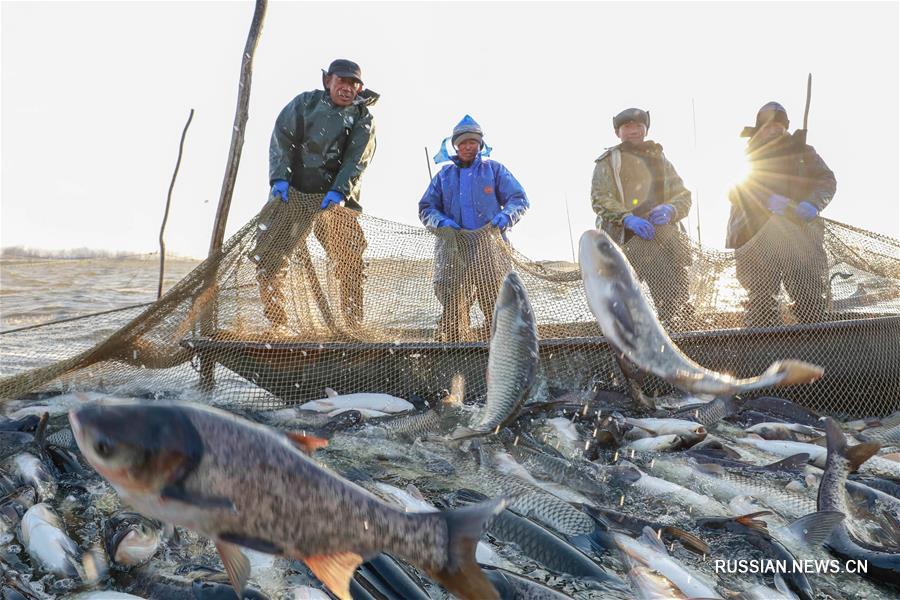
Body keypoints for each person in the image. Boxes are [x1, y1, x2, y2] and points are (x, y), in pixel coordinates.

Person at [252, 59, 378, 332]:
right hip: (293, 194)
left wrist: (339, 192)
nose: (347, 88)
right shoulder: (304, 104)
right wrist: (280, 179)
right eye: (341, 81)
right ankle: (278, 324)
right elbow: (282, 140)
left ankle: (352, 325)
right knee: (269, 256)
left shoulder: (362, 117)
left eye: (353, 84)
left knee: (350, 261)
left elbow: (357, 160)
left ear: (360, 88)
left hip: (336, 201)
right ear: (327, 81)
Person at [419, 115, 529, 341]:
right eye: (463, 142)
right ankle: (453, 342)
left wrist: (505, 217)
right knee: (453, 302)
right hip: (453, 250)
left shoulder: (494, 170)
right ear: (455, 145)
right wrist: (441, 222)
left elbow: (519, 200)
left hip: (489, 247)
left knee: (495, 300)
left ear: (480, 144)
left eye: (473, 142)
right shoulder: (444, 176)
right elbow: (426, 208)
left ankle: (498, 346)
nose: (469, 146)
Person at [727, 101, 836, 327]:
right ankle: (761, 348)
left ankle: (814, 341)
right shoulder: (747, 156)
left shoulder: (805, 152)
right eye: (767, 126)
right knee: (760, 300)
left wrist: (812, 204)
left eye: (779, 125)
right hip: (754, 237)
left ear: (786, 127)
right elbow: (734, 191)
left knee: (809, 298)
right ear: (759, 129)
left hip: (799, 235)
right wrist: (764, 200)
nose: (774, 129)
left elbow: (826, 181)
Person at [590, 107, 693, 323]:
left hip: (666, 235)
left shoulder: (661, 159)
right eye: (627, 127)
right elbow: (600, 198)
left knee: (680, 294)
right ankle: (634, 335)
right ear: (617, 132)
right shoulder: (608, 161)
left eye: (638, 126)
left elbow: (683, 195)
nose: (633, 130)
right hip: (626, 238)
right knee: (626, 297)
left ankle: (681, 330)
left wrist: (671, 209)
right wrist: (627, 218)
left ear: (645, 129)